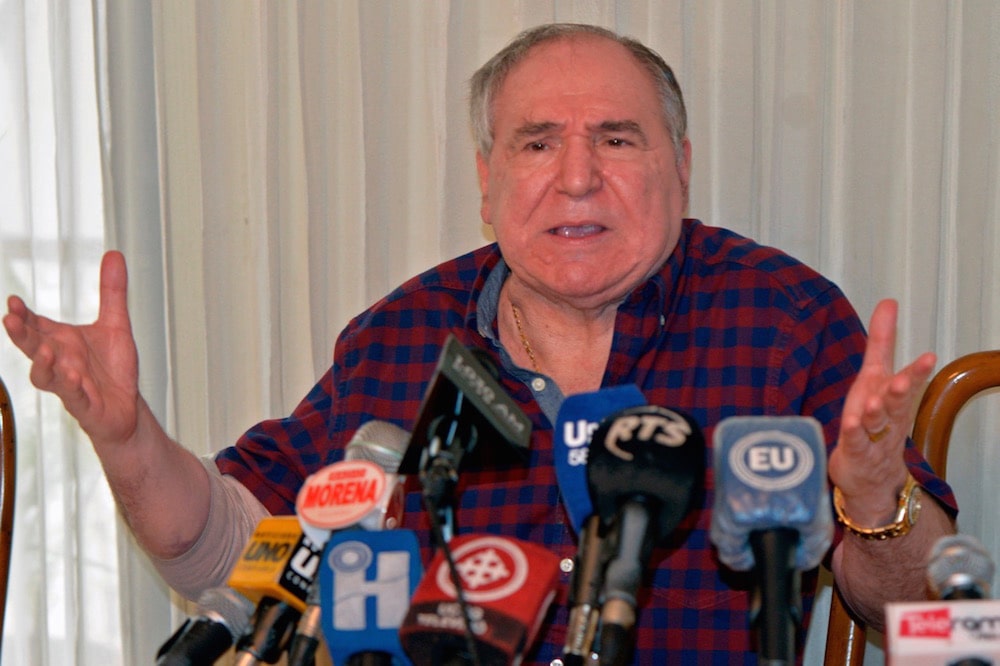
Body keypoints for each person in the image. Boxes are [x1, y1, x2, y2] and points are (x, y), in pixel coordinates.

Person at [4, 22, 956, 663]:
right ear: (487, 180)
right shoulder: (402, 335)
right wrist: (128, 444)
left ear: (682, 166)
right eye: (537, 143)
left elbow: (915, 613)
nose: (576, 178)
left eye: (618, 141)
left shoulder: (784, 321)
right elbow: (241, 547)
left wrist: (875, 499)